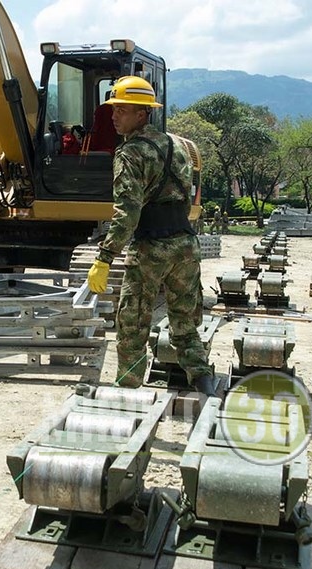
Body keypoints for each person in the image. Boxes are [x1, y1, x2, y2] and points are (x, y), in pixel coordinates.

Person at [86, 76, 215, 396]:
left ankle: (127, 391)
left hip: (150, 248)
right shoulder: (179, 146)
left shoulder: (130, 154)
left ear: (142, 114)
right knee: (185, 327)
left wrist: (104, 258)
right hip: (186, 246)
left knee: (132, 327)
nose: (114, 116)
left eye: (122, 110)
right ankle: (205, 384)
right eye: (113, 109)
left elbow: (127, 213)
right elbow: (187, 199)